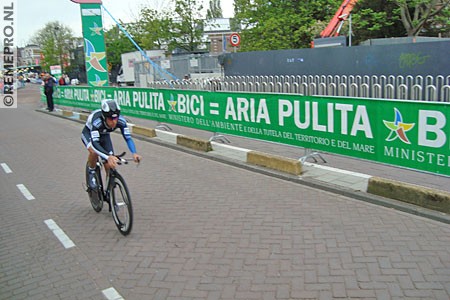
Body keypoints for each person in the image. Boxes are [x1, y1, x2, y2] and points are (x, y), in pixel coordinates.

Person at [81, 99, 142, 189]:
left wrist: (134, 153)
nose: (114, 122)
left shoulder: (121, 121)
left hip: (105, 135)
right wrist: (108, 157)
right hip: (89, 134)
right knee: (94, 152)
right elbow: (95, 143)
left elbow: (128, 138)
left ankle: (109, 193)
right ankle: (91, 171)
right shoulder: (97, 121)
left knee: (110, 166)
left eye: (115, 118)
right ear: (104, 116)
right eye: (110, 119)